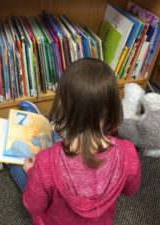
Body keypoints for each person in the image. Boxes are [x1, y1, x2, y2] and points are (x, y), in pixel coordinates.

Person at [20, 58, 141, 225]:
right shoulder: (128, 153)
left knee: (23, 164)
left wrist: (31, 172)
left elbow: (34, 206)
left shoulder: (45, 163)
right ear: (113, 107)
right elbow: (130, 189)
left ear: (61, 106)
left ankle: (38, 120)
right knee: (54, 148)